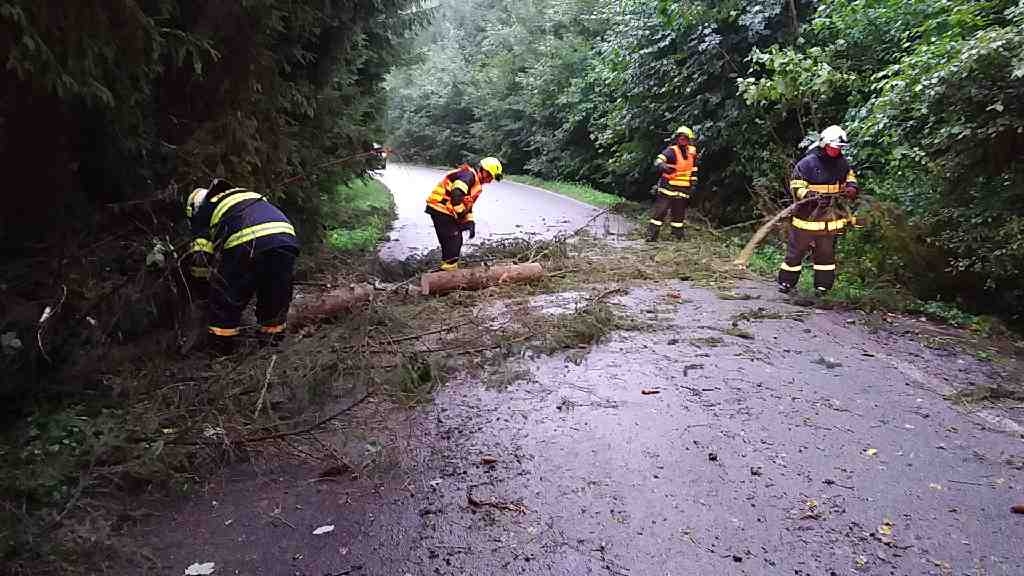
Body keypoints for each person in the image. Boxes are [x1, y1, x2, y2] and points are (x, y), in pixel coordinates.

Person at [185, 178, 300, 354]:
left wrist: (201, 285)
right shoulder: (246, 194)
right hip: (285, 237)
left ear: (195, 207)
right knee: (275, 294)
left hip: (247, 240)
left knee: (228, 296)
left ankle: (221, 349)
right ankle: (271, 346)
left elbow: (201, 256)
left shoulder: (205, 209)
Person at [777, 125, 859, 296]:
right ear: (824, 144)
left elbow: (850, 176)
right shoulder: (807, 164)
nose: (837, 151)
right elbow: (796, 186)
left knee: (826, 256)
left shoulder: (842, 163)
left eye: (840, 149)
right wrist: (811, 195)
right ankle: (786, 282)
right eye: (834, 148)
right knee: (795, 254)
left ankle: (823, 287)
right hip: (805, 219)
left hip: (829, 220)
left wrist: (851, 187)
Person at [425, 157, 503, 271]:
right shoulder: (468, 176)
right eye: (490, 176)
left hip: (446, 210)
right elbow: (456, 195)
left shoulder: (475, 183)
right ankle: (447, 273)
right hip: (440, 208)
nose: (490, 180)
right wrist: (461, 216)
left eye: (492, 178)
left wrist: (469, 221)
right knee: (453, 240)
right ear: (483, 170)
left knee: (453, 241)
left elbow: (467, 204)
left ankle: (446, 271)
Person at [647, 126, 699, 242]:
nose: (682, 139)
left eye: (685, 137)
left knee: (679, 214)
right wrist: (663, 166)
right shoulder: (671, 150)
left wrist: (694, 183)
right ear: (676, 138)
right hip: (668, 187)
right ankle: (652, 235)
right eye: (680, 137)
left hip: (683, 189)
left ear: (689, 139)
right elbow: (658, 160)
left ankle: (677, 237)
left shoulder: (692, 152)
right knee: (660, 211)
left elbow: (694, 169)